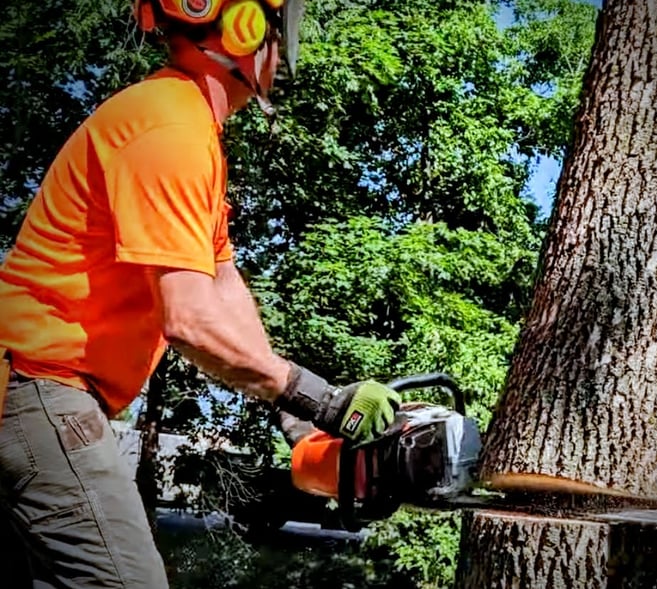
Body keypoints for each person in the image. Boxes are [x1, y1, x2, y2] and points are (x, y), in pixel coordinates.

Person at [0, 0, 401, 586]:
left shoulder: (186, 127)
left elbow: (223, 289)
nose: (283, 50)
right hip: (39, 390)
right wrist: (322, 399)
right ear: (245, 27)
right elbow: (189, 321)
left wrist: (300, 419)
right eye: (278, 28)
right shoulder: (170, 130)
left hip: (42, 391)